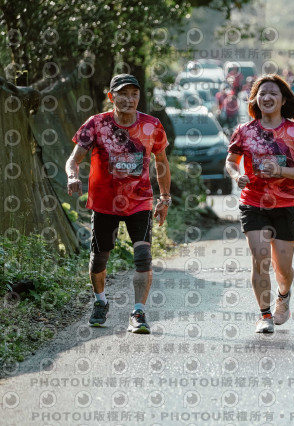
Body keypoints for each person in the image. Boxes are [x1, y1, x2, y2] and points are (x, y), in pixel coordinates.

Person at [66, 73, 171, 334]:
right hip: (105, 203)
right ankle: (100, 301)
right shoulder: (96, 124)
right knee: (99, 259)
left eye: (134, 94)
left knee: (143, 257)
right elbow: (74, 159)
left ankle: (138, 312)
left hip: (140, 201)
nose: (129, 99)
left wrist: (164, 198)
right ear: (111, 97)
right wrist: (72, 176)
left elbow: (161, 163)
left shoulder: (152, 126)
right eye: (123, 94)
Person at [225, 74, 294, 333]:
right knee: (260, 258)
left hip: (287, 205)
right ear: (255, 99)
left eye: (273, 93)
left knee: (282, 268)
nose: (267, 97)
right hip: (253, 202)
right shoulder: (244, 131)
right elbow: (231, 161)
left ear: (283, 99)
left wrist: (280, 171)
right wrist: (236, 176)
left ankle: (283, 295)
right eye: (262, 93)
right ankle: (264, 315)